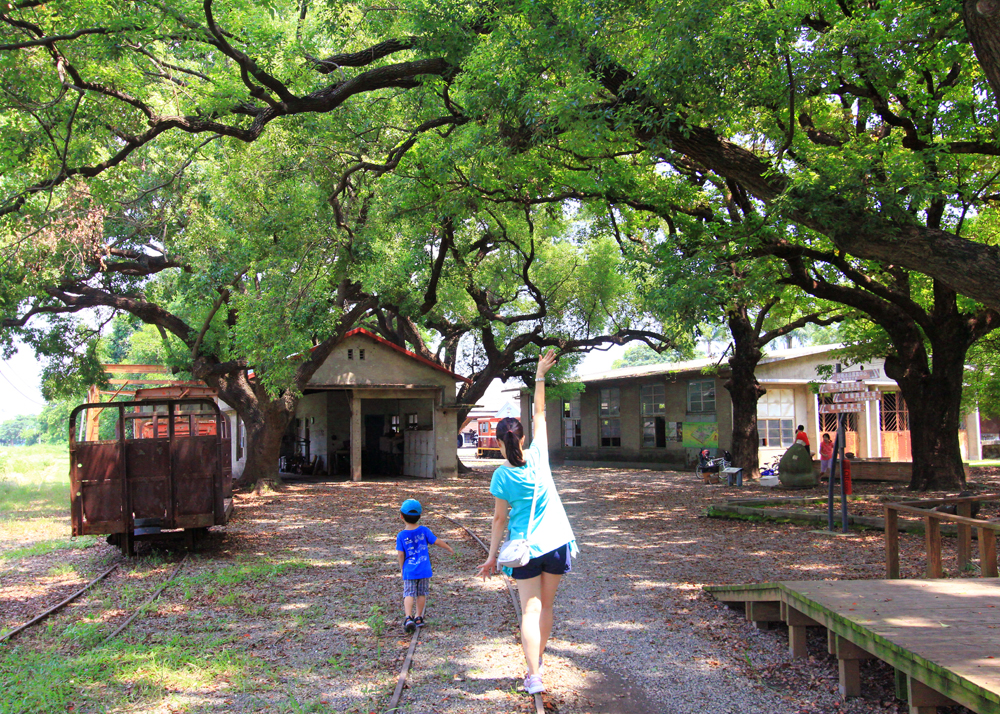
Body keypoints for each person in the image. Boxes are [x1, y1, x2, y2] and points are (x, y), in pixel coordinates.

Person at [476, 349, 578, 696]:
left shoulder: (501, 477)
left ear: (499, 443)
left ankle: (533, 675)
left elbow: (499, 520)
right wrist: (539, 375)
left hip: (526, 549)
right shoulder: (539, 457)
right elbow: (540, 412)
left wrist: (492, 557)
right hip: (558, 542)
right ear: (521, 437)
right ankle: (539, 663)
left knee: (530, 609)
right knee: (547, 607)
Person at [396, 498, 454, 633]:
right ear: (419, 516)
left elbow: (400, 555)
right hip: (424, 569)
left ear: (401, 516)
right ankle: (418, 617)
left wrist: (402, 569)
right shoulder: (424, 530)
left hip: (409, 570)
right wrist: (448, 548)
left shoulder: (401, 535)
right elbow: (437, 541)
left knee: (409, 593)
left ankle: (408, 617)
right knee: (421, 593)